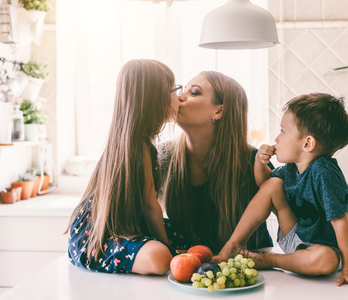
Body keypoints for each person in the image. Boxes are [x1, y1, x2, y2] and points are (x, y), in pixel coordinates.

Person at [214, 93, 348, 288]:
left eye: (282, 131)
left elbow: (341, 223)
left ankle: (271, 260)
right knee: (273, 184)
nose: (276, 138)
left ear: (307, 144)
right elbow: (265, 185)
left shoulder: (324, 172)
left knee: (326, 259)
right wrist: (259, 163)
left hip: (324, 249)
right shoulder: (292, 167)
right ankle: (234, 244)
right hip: (297, 237)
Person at [66, 59, 181, 275]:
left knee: (189, 236)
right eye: (175, 89)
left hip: (122, 228)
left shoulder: (130, 142)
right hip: (96, 237)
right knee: (160, 257)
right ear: (157, 100)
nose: (180, 96)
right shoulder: (139, 146)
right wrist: (171, 251)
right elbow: (150, 207)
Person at [159, 71, 274, 254]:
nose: (180, 98)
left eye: (194, 92)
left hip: (252, 269)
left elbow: (291, 224)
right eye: (182, 90)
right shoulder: (162, 156)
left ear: (219, 111)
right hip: (190, 271)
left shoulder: (253, 162)